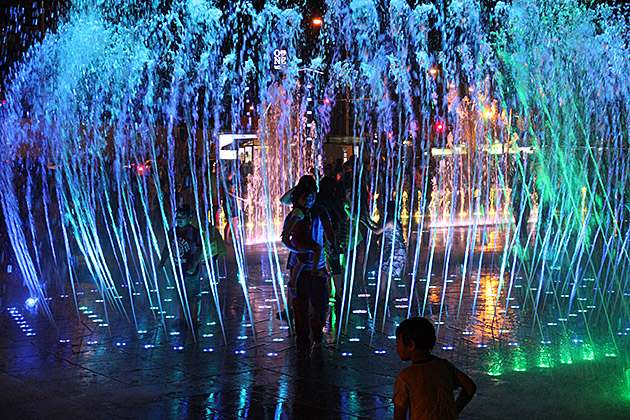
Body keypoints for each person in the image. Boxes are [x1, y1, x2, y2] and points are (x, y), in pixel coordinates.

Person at [281, 182, 336, 357]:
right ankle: (302, 342)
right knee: (300, 307)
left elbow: (329, 231)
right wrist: (301, 250)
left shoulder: (320, 210)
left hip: (318, 266)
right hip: (301, 264)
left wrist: (333, 246)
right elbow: (285, 238)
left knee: (321, 306)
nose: (310, 200)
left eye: (312, 195)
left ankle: (317, 330)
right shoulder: (294, 212)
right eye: (306, 196)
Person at [393, 317, 477, 420]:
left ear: (411, 345)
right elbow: (470, 387)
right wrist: (454, 411)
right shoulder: (444, 365)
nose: (396, 347)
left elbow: (399, 415)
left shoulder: (406, 376)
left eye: (398, 343)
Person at [158, 204, 203, 327]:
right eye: (177, 216)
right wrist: (162, 263)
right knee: (180, 295)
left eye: (182, 216)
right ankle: (182, 318)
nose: (179, 219)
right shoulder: (172, 232)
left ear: (189, 217)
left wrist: (193, 265)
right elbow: (167, 248)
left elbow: (199, 250)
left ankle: (194, 319)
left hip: (190, 270)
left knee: (192, 295)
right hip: (177, 269)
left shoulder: (193, 232)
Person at [281, 184, 327, 291]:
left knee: (301, 263)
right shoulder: (298, 211)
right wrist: (287, 233)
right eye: (305, 199)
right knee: (317, 248)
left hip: (300, 240)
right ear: (298, 199)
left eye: (311, 199)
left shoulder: (304, 210)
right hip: (301, 240)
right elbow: (292, 222)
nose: (308, 201)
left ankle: (292, 283)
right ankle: (314, 270)